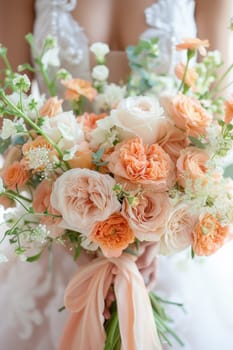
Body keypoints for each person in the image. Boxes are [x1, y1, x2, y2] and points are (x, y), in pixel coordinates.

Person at [0, 1, 233, 350]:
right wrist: (74, 230)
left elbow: (217, 121)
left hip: (163, 252)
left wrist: (156, 232)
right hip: (61, 240)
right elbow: (9, 120)